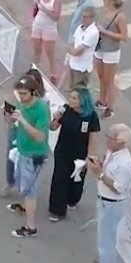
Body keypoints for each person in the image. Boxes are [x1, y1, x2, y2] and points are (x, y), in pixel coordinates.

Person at [86, 123, 131, 263]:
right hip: (104, 200)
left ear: (121, 142)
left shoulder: (125, 164)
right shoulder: (112, 152)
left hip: (112, 204)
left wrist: (99, 173)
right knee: (103, 235)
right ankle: (103, 262)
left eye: (111, 138)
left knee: (107, 239)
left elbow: (118, 188)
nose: (107, 140)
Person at [6, 74, 51, 238]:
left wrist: (23, 121)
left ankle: (30, 227)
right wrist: (9, 117)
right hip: (22, 151)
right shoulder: (22, 103)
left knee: (30, 190)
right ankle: (25, 206)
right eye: (20, 93)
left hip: (34, 155)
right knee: (20, 182)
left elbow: (40, 136)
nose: (21, 97)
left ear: (34, 93)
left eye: (24, 94)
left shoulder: (41, 109)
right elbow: (14, 121)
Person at [47, 87, 100, 221]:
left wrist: (91, 156)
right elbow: (52, 127)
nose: (71, 100)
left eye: (74, 98)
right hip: (63, 151)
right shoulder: (65, 110)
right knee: (59, 180)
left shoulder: (91, 116)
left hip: (80, 154)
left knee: (76, 180)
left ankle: (72, 200)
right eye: (71, 97)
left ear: (83, 101)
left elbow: (93, 138)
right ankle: (57, 210)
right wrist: (55, 118)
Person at [1, 68, 45, 198]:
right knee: (11, 158)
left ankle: (26, 190)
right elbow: (11, 117)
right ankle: (10, 183)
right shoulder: (19, 95)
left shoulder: (42, 102)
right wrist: (7, 113)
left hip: (30, 135)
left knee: (27, 165)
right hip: (15, 130)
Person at [94, 0, 128, 119]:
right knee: (101, 77)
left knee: (109, 81)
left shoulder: (120, 16)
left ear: (111, 2)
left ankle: (110, 107)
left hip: (111, 51)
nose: (103, 2)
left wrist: (105, 32)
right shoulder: (104, 12)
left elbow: (124, 37)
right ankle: (102, 101)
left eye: (105, 0)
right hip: (100, 48)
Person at [59, 0, 94, 90]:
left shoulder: (87, 5)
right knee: (69, 65)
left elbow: (89, 22)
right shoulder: (80, 3)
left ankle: (59, 89)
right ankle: (66, 88)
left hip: (78, 40)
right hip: (74, 37)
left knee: (68, 65)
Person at [31, 0, 62, 83]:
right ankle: (35, 69)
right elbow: (37, 6)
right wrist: (36, 4)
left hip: (49, 28)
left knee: (50, 53)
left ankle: (54, 74)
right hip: (38, 24)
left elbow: (56, 17)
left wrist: (44, 8)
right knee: (36, 49)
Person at [64, 6, 100, 88]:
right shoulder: (79, 28)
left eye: (85, 17)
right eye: (82, 16)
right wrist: (71, 49)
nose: (83, 19)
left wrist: (70, 50)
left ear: (91, 18)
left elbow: (77, 52)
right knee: (71, 90)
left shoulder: (92, 32)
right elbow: (72, 43)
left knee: (79, 93)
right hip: (73, 64)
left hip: (82, 68)